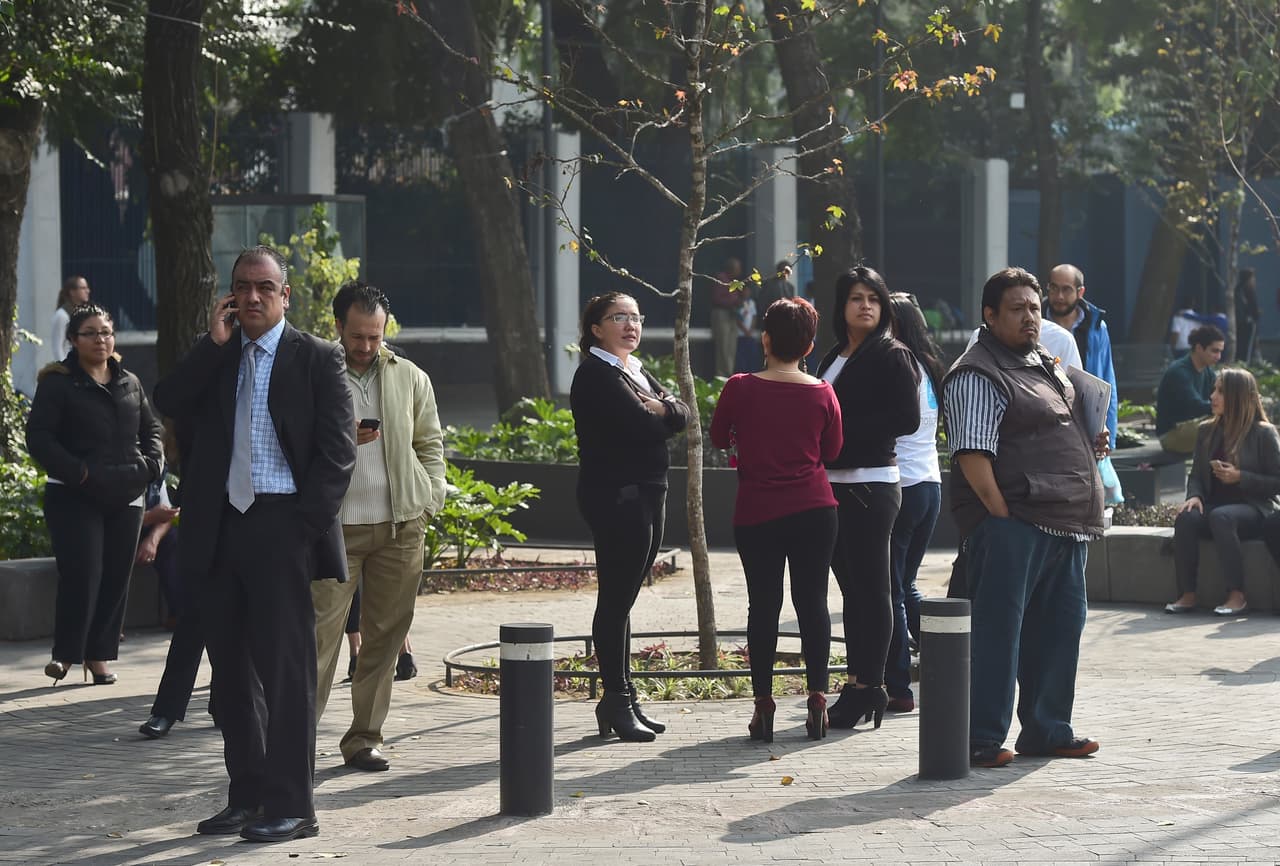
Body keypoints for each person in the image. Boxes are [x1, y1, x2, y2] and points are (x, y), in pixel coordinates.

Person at [153, 245, 356, 843]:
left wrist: (301, 529)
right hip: (218, 529)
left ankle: (295, 807)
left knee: (286, 672)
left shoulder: (316, 358)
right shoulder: (219, 357)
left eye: (265, 287)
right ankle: (248, 797)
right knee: (232, 677)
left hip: (281, 526)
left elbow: (337, 455)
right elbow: (167, 401)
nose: (252, 297)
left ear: (285, 295)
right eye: (242, 287)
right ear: (229, 295)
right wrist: (212, 346)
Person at [943, 266, 1108, 769]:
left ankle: (1048, 730)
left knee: (1060, 631)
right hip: (1013, 524)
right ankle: (983, 738)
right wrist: (1001, 517)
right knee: (999, 633)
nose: (1030, 317)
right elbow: (973, 454)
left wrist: (1089, 442)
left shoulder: (1045, 362)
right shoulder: (977, 371)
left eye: (1034, 308)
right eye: (1017, 309)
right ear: (990, 316)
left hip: (1066, 521)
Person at [312, 281, 445, 773]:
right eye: (357, 336)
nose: (366, 346)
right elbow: (295, 441)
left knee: (386, 637)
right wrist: (345, 439)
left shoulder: (410, 376)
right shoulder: (316, 372)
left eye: (375, 336)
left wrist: (430, 499)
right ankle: (298, 743)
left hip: (401, 526)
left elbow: (430, 443)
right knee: (319, 640)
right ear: (338, 328)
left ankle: (364, 739)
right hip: (335, 529)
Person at [710, 297, 842, 742]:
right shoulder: (823, 391)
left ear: (765, 339)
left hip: (757, 509)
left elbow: (716, 435)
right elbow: (833, 450)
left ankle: (763, 704)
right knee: (813, 603)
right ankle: (818, 699)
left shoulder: (739, 387)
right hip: (815, 508)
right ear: (808, 345)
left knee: (763, 606)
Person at [571, 292, 691, 742]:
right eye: (618, 317)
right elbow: (647, 428)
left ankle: (624, 698)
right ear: (596, 327)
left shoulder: (633, 370)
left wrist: (667, 409)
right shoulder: (597, 374)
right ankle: (615, 700)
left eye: (635, 317)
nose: (630, 325)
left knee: (624, 601)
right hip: (618, 497)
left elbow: (680, 413)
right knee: (616, 601)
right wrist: (664, 413)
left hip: (647, 492)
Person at [26, 303, 163, 686]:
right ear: (73, 340)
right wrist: (79, 472)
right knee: (83, 573)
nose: (100, 339)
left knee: (117, 577)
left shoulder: (129, 382)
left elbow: (152, 430)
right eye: (90, 333)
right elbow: (39, 438)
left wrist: (151, 464)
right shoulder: (58, 383)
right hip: (75, 495)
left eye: (106, 332)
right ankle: (66, 655)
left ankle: (99, 656)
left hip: (126, 494)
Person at [814, 266, 920, 730]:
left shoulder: (893, 354)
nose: (866, 306)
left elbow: (907, 418)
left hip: (872, 483)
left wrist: (841, 432)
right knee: (851, 590)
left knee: (874, 588)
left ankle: (872, 685)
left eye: (874, 299)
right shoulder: (834, 355)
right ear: (842, 306)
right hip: (830, 483)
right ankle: (856, 681)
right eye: (857, 298)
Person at [1165, 369, 1280, 617]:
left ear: (1238, 396)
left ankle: (1237, 595)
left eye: (1220, 391)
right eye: (1214, 390)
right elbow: (1196, 474)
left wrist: (1241, 477)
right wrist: (1194, 496)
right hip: (1214, 504)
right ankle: (1187, 594)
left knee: (1222, 517)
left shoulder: (1263, 433)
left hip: (1253, 509)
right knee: (1186, 518)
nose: (1212, 396)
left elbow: (1277, 481)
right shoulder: (1207, 430)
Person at [883, 293, 945, 714]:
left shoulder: (897, 364)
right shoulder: (929, 365)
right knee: (905, 586)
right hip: (930, 486)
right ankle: (954, 656)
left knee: (891, 591)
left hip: (902, 487)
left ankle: (899, 687)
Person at [1156, 325, 1224, 454]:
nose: (1219, 356)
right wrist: (1228, 408)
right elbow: (1196, 406)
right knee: (1222, 427)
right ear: (1199, 348)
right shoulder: (1179, 372)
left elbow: (1216, 400)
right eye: (1215, 351)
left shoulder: (1207, 371)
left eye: (1220, 351)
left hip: (1192, 427)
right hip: (1171, 435)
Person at [710, 257, 745, 378]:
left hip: (732, 315)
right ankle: (721, 375)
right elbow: (716, 298)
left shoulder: (734, 281)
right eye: (738, 268)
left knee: (731, 347)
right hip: (722, 314)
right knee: (723, 346)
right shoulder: (721, 278)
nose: (740, 271)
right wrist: (733, 300)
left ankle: (729, 373)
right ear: (731, 269)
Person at [49, 276, 91, 360]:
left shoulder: (83, 313)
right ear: (72, 292)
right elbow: (57, 347)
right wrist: (63, 368)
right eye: (83, 288)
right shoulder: (62, 315)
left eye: (87, 288)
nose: (87, 291)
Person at [1235, 268, 1260, 364]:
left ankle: (1239, 363)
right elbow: (1253, 307)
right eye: (1253, 278)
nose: (1254, 281)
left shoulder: (1237, 289)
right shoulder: (1248, 289)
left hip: (1238, 323)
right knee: (1248, 347)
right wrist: (1256, 315)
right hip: (1248, 322)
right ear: (1248, 279)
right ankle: (1245, 365)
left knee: (1240, 345)